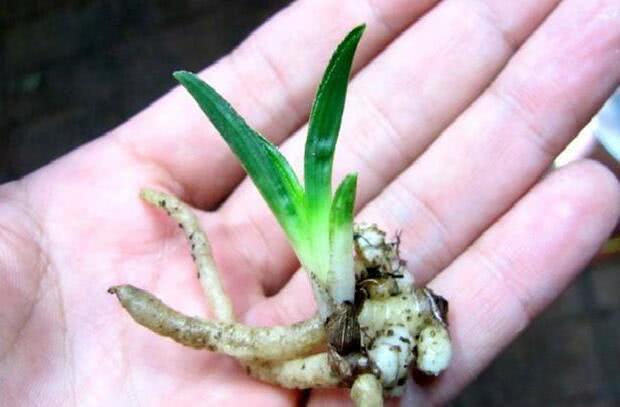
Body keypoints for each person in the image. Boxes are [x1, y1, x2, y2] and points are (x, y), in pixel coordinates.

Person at [1, 1, 618, 405]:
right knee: (240, 342)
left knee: (239, 342)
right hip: (346, 322)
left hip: (352, 325)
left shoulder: (371, 312)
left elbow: (320, 341)